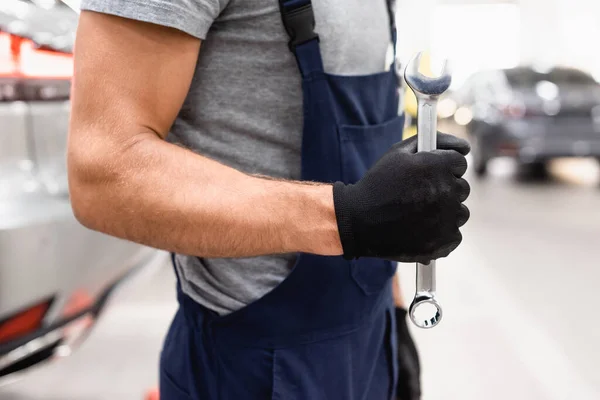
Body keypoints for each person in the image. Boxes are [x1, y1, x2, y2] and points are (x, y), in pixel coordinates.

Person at [68, 0, 470, 399]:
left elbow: (367, 176)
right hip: (250, 367)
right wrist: (347, 217)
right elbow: (102, 173)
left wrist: (396, 312)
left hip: (371, 338)